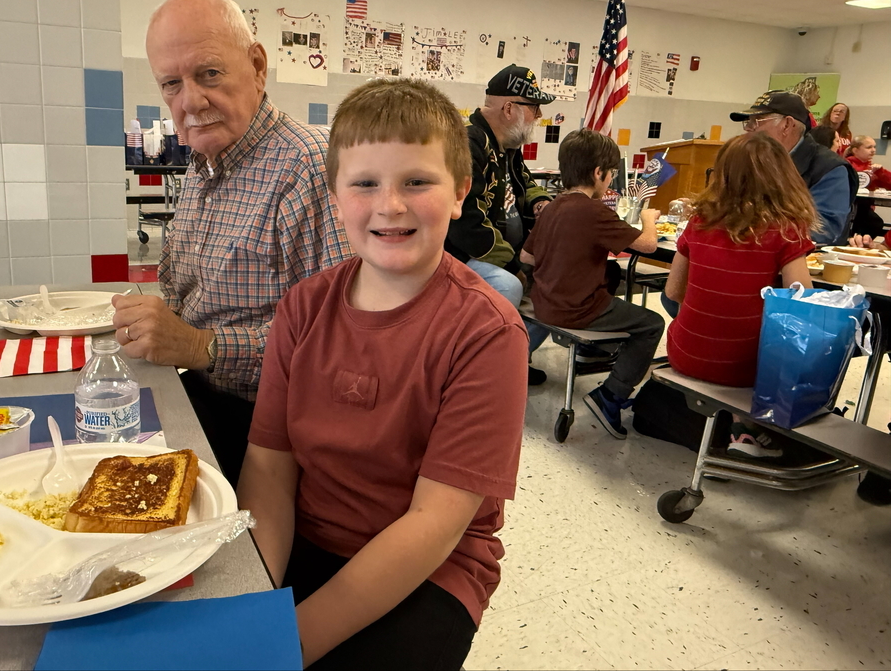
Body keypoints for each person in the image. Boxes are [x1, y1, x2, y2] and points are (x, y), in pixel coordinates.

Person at [238, 79, 529, 669]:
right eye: (365, 183)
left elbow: (434, 523)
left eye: (417, 181)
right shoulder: (303, 306)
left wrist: (287, 644)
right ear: (336, 195)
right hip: (308, 536)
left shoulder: (489, 333)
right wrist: (252, 601)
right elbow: (269, 467)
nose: (389, 205)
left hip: (432, 568)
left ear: (460, 192)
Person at [110, 0, 351, 484]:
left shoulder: (308, 166)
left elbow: (338, 344)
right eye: (171, 84)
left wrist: (200, 345)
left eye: (209, 74)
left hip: (275, 434)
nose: (190, 102)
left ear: (258, 66)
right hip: (196, 396)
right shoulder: (204, 163)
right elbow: (184, 291)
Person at [664, 133, 816, 459]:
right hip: (742, 369)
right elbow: (801, 307)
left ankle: (736, 425)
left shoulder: (699, 220)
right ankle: (752, 430)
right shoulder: (786, 230)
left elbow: (673, 291)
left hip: (684, 354)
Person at [520, 129, 665, 439]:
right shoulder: (595, 210)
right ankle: (611, 395)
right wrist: (650, 218)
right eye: (611, 174)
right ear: (599, 172)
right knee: (651, 323)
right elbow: (649, 245)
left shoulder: (552, 206)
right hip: (575, 310)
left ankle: (602, 352)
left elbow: (526, 256)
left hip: (544, 302)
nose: (611, 180)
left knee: (610, 276)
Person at [445, 64, 554, 385]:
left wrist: (539, 201)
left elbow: (525, 182)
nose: (537, 117)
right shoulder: (469, 144)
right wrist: (512, 263)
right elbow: (467, 222)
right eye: (533, 108)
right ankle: (484, 374)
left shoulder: (507, 146)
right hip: (462, 255)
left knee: (556, 289)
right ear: (509, 108)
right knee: (510, 286)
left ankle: (515, 359)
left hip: (507, 252)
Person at [730, 91, 856, 245]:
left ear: (787, 125)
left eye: (756, 121)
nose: (748, 128)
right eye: (748, 122)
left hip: (806, 263)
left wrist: (756, 231)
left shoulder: (829, 168)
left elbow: (824, 229)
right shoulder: (750, 160)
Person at [846, 135, 891, 238]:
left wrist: (881, 172)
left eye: (874, 147)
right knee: (874, 222)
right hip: (852, 207)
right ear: (855, 150)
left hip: (866, 208)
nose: (873, 150)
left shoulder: (873, 168)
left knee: (874, 222)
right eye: (869, 147)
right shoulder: (847, 165)